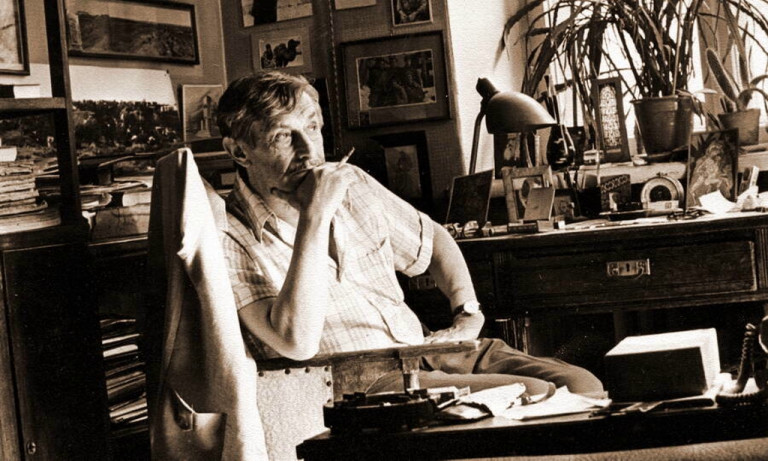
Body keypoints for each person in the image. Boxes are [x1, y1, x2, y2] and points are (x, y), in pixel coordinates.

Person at [216, 71, 603, 396]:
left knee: (580, 383)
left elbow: (434, 240)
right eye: (283, 136)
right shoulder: (227, 234)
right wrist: (316, 214)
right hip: (358, 381)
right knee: (535, 394)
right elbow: (294, 342)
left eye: (312, 128)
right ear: (239, 152)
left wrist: (466, 313)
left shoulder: (351, 182)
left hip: (424, 349)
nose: (308, 151)